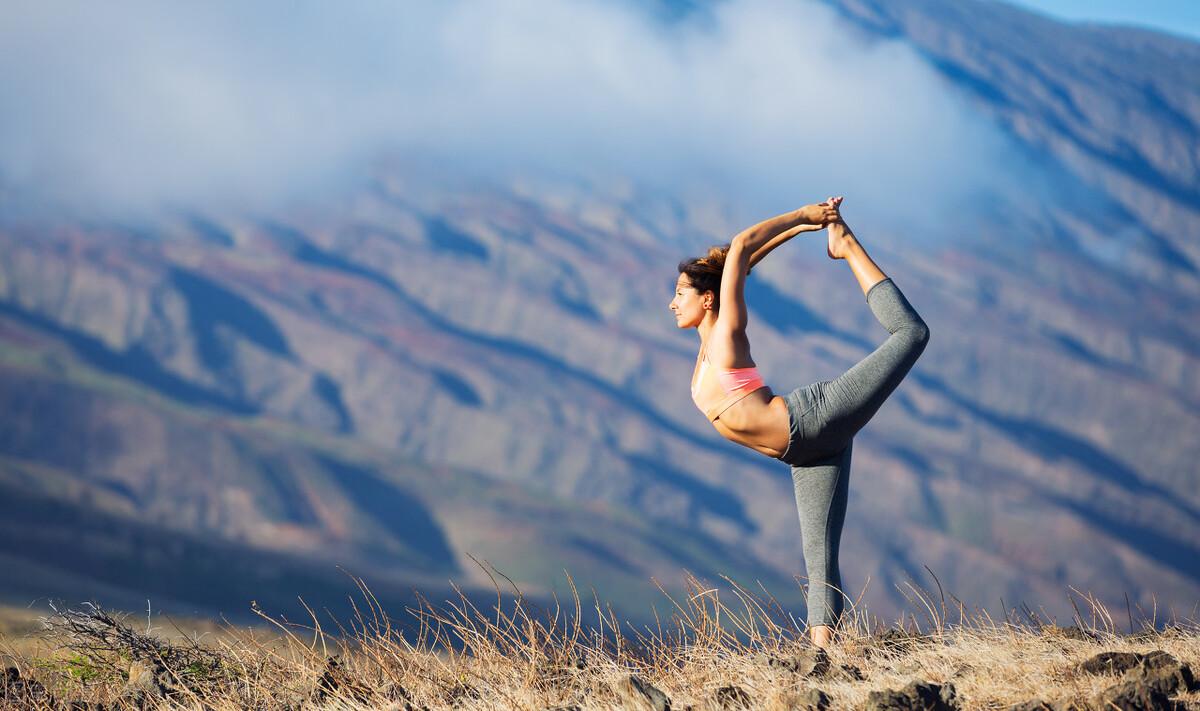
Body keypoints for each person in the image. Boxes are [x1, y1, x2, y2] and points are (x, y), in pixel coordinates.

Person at [669, 197, 930, 648]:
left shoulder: (727, 333)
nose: (672, 303)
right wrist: (797, 233)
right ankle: (822, 658)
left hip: (814, 418)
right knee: (820, 562)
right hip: (803, 452)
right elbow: (741, 260)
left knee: (912, 334)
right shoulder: (705, 348)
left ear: (707, 299)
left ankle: (847, 246)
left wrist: (805, 218)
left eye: (680, 294)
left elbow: (741, 245)